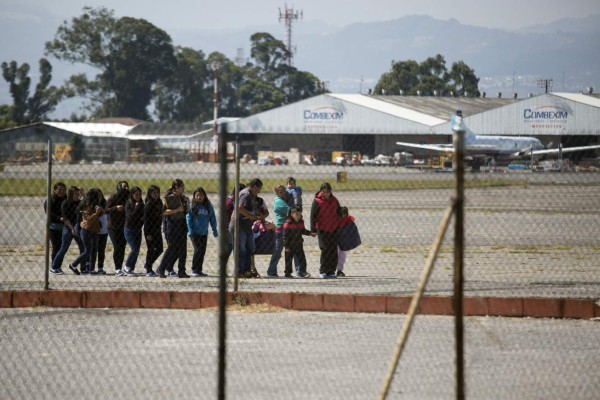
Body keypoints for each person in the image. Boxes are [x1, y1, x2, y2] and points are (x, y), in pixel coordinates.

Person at [229, 178, 265, 278]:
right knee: (241, 249)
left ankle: (247, 270)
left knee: (250, 248)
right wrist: (250, 216)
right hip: (239, 224)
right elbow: (240, 207)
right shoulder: (246, 194)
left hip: (246, 225)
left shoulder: (252, 195)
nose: (259, 191)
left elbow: (254, 207)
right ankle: (239, 271)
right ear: (254, 187)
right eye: (259, 189)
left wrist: (260, 214)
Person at [157, 179, 190, 279]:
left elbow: (186, 212)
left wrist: (188, 204)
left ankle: (182, 271)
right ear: (176, 188)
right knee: (171, 248)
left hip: (182, 224)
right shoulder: (169, 198)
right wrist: (176, 210)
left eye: (183, 187)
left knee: (183, 249)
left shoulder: (183, 198)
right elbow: (163, 212)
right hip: (172, 225)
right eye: (181, 187)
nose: (183, 189)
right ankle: (161, 268)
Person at [68, 188, 104, 275]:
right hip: (87, 230)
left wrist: (100, 211)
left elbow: (101, 213)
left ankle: (91, 269)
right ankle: (73, 265)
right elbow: (88, 219)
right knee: (87, 251)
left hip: (95, 230)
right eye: (98, 196)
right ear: (94, 197)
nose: (100, 197)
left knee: (94, 250)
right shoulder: (87, 206)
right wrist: (96, 213)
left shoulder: (96, 205)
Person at [310, 182, 341, 278]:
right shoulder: (317, 201)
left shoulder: (334, 200)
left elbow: (339, 212)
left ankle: (331, 271)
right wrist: (313, 229)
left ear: (330, 191)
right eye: (324, 192)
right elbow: (313, 216)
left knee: (333, 251)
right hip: (322, 229)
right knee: (325, 249)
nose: (326, 193)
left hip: (333, 229)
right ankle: (323, 270)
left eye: (327, 192)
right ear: (321, 191)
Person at [50, 186, 83, 274]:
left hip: (77, 228)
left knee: (83, 247)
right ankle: (54, 267)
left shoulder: (78, 202)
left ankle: (83, 268)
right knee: (63, 248)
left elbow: (85, 203)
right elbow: (65, 218)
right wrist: (72, 229)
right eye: (76, 194)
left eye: (78, 194)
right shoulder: (65, 203)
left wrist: (83, 194)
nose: (77, 196)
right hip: (68, 228)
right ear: (71, 194)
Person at [187, 187, 218, 277]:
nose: (199, 197)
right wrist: (190, 230)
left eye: (201, 195)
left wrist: (214, 229)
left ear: (204, 196)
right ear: (194, 196)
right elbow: (188, 219)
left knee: (202, 251)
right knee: (197, 250)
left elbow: (212, 218)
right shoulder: (192, 206)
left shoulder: (208, 206)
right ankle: (194, 269)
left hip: (204, 233)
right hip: (195, 233)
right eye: (197, 195)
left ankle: (199, 270)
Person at [266, 185, 290, 277]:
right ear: (276, 193)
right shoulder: (279, 201)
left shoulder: (282, 200)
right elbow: (290, 211)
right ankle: (271, 270)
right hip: (281, 229)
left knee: (280, 250)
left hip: (285, 228)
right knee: (277, 251)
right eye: (281, 192)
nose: (283, 193)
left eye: (284, 191)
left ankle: (273, 270)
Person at [283, 207, 313, 278]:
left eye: (299, 214)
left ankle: (303, 272)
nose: (298, 216)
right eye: (296, 214)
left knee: (302, 259)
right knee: (288, 260)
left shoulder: (301, 221)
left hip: (298, 244)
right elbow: (285, 236)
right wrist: (286, 246)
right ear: (292, 214)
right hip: (290, 245)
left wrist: (310, 233)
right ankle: (288, 273)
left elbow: (302, 230)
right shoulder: (288, 223)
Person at [106, 181, 129, 275]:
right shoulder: (113, 197)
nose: (126, 188)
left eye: (127, 186)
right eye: (124, 186)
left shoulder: (128, 197)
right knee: (117, 247)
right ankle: (117, 269)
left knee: (122, 247)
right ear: (119, 187)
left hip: (124, 226)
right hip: (113, 227)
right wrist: (115, 208)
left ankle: (120, 267)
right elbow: (105, 210)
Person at [123, 186, 144, 276]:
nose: (138, 196)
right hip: (129, 229)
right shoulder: (128, 203)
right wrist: (136, 207)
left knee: (137, 249)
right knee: (134, 248)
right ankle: (126, 267)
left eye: (139, 194)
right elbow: (130, 217)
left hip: (138, 229)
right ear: (132, 195)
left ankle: (131, 268)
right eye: (136, 194)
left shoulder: (141, 204)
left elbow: (143, 216)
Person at [143, 185, 163, 277]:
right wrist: (148, 234)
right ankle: (149, 270)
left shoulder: (159, 202)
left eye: (157, 192)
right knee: (150, 250)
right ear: (150, 194)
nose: (156, 194)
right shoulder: (148, 204)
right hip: (150, 231)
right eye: (154, 193)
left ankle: (148, 264)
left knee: (160, 249)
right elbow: (146, 221)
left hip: (157, 230)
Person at [44, 182, 67, 264]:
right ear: (54, 190)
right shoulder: (50, 200)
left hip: (65, 227)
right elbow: (49, 213)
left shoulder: (67, 199)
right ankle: (54, 265)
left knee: (62, 248)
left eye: (64, 190)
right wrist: (59, 218)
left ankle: (58, 266)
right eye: (59, 189)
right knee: (56, 247)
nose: (62, 191)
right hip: (53, 227)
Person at [336, 206, 354, 277]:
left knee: (342, 255)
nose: (343, 216)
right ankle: (332, 270)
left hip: (344, 241)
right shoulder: (336, 220)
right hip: (336, 240)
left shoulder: (349, 221)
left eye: (345, 214)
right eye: (342, 214)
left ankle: (339, 270)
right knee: (335, 254)